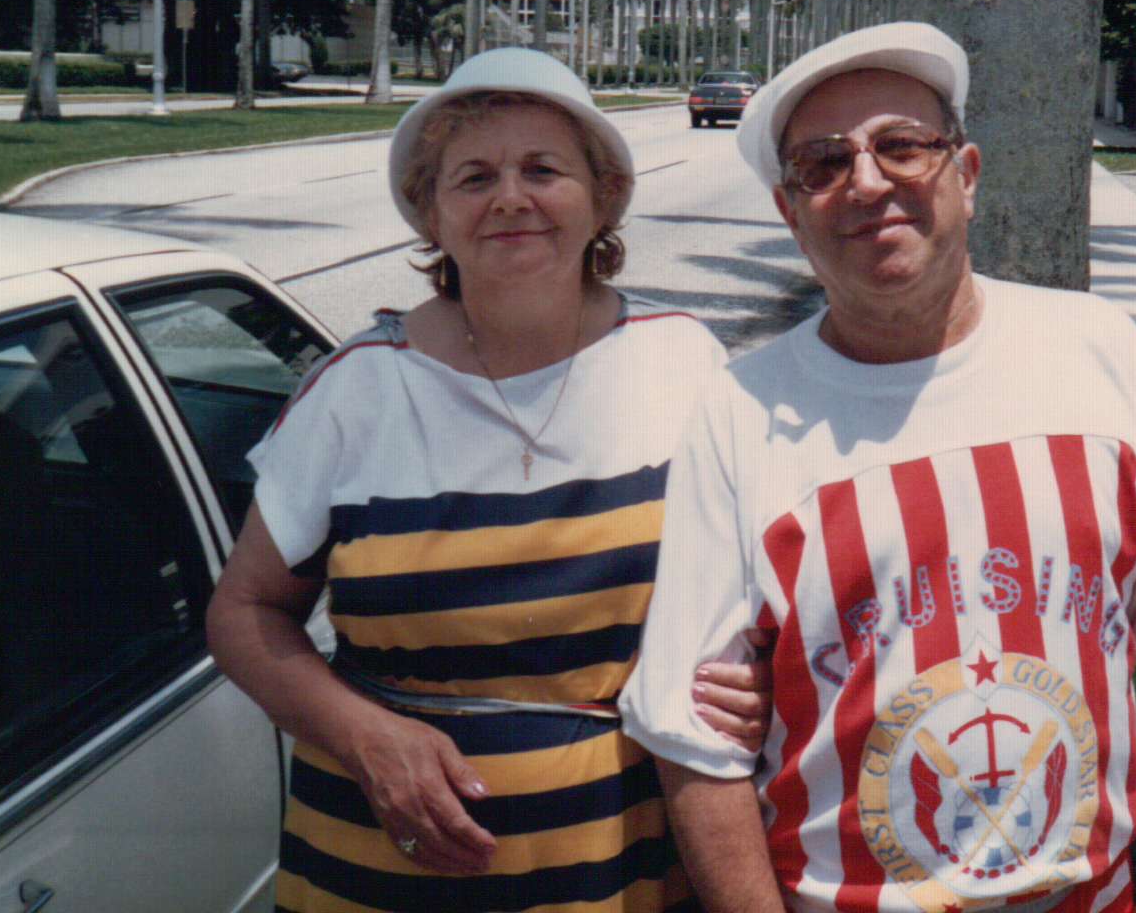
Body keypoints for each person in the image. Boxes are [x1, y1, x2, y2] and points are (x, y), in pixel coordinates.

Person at [619, 23, 1136, 913]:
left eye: (902, 146)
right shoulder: (741, 412)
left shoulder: (1097, 350)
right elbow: (690, 735)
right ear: (789, 210)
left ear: (966, 174)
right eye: (823, 164)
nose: (868, 181)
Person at [208, 49, 770, 913]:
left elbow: (753, 589)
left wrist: (758, 671)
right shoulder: (355, 389)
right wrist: (365, 737)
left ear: (602, 199)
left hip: (618, 863)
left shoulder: (684, 362)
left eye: (544, 169)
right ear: (431, 214)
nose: (511, 196)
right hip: (379, 867)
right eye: (474, 177)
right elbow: (243, 613)